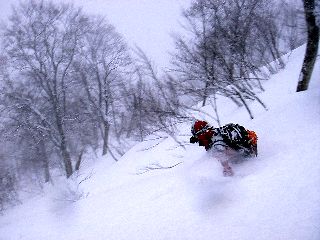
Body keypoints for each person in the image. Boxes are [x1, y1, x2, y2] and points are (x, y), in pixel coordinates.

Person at [190, 120, 258, 176]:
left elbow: (221, 155)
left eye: (197, 136)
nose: (198, 139)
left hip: (246, 159)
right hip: (246, 151)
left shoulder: (216, 144)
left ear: (201, 133)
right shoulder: (217, 132)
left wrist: (226, 169)